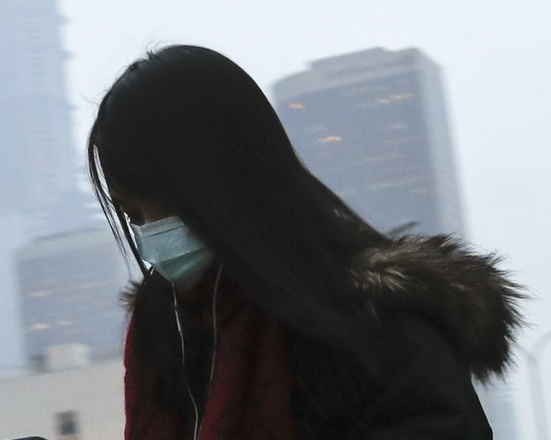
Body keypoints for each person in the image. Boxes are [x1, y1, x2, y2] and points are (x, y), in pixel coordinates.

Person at [87, 45, 524, 439]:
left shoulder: (379, 330)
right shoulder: (169, 337)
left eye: (158, 205)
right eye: (131, 216)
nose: (149, 233)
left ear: (221, 183)